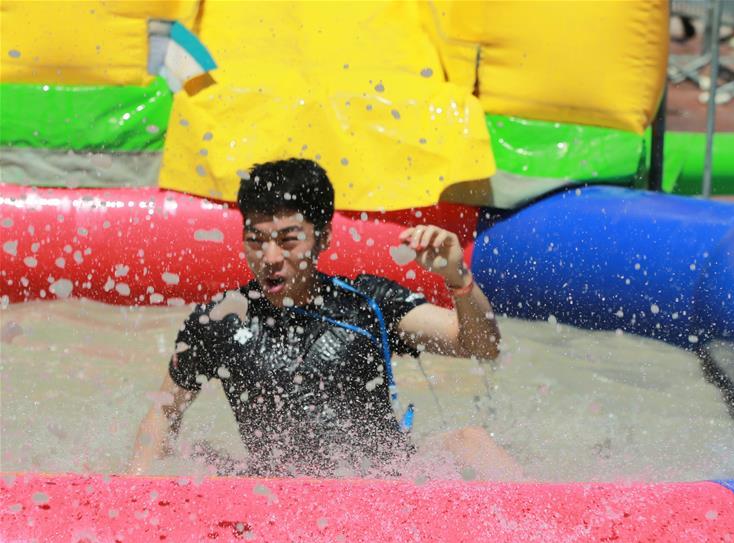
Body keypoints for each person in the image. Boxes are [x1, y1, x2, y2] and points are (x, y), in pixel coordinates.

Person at [129, 158, 520, 479]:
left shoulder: (369, 303)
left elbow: (482, 347)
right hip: (280, 492)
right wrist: (136, 489)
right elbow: (165, 410)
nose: (269, 258)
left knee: (468, 440)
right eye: (255, 240)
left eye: (287, 240)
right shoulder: (220, 321)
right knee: (203, 458)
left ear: (325, 237)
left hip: (379, 485)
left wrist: (458, 279)